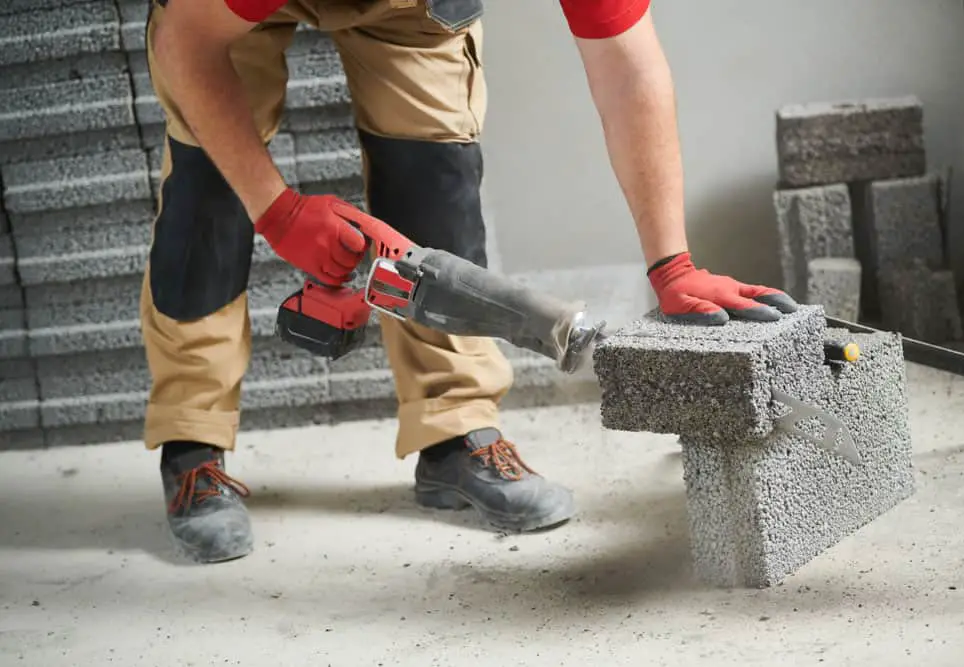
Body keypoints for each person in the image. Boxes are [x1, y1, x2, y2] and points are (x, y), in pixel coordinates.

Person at [142, 0, 798, 564]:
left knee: (436, 180)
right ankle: (192, 439)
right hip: (213, 21)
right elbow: (187, 44)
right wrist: (279, 212)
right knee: (212, 185)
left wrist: (672, 266)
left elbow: (628, 68)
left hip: (414, 12)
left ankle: (453, 429)